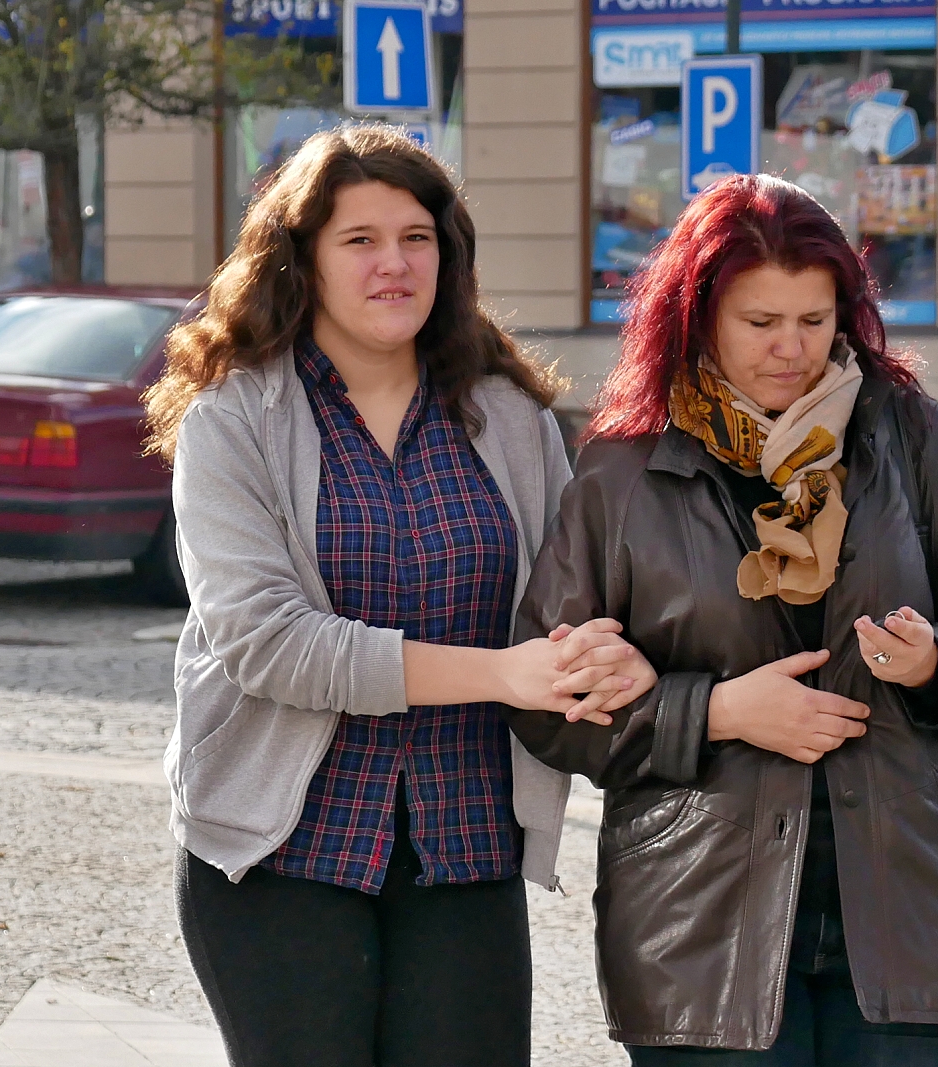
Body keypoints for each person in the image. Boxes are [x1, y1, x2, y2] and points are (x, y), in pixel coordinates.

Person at [504, 174, 938, 1066]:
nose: (790, 348)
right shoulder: (624, 469)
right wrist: (715, 711)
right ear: (696, 318)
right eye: (760, 321)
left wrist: (935, 660)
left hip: (906, 915)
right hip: (701, 926)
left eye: (814, 319)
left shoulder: (911, 435)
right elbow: (546, 700)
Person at [142, 125, 656, 1067]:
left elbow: (569, 608)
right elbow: (269, 644)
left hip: (466, 843)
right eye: (360, 239)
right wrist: (503, 674)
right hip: (281, 851)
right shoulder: (234, 418)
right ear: (301, 260)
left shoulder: (512, 417)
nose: (395, 263)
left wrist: (602, 654)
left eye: (417, 237)